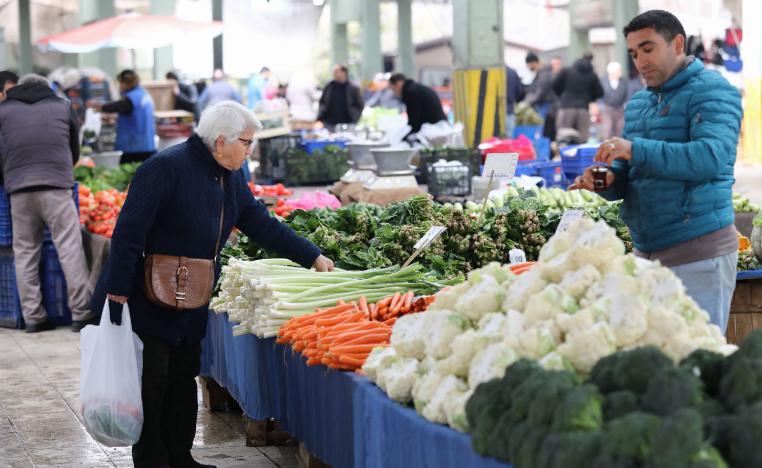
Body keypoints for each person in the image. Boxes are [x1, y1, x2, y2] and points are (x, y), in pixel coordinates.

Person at [91, 101, 334, 468]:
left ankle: (180, 455)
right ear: (221, 141)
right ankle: (152, 459)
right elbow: (127, 234)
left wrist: (312, 256)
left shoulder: (230, 176)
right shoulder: (164, 168)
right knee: (152, 380)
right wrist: (117, 295)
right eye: (247, 143)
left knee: (183, 375)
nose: (250, 150)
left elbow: (260, 223)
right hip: (148, 294)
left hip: (195, 292)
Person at [569, 10, 742, 332]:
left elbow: (710, 157)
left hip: (698, 252)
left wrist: (635, 150)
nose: (640, 61)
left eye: (648, 49)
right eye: (634, 53)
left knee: (696, 359)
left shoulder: (713, 91)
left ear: (677, 44)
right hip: (645, 251)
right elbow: (629, 172)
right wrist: (608, 180)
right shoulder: (638, 104)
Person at [0, 74, 94, 333]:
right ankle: (80, 313)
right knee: (69, 248)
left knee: (25, 252)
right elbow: (74, 148)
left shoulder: (3, 110)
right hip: (57, 186)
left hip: (18, 190)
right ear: (46, 88)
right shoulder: (63, 106)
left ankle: (33, 317)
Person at [87, 69, 156, 164]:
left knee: (129, 175)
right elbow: (135, 114)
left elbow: (118, 106)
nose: (119, 87)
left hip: (134, 147)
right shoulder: (143, 94)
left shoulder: (131, 98)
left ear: (125, 83)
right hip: (148, 144)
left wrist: (99, 106)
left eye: (120, 83)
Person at [553, 52, 604, 142]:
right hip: (583, 109)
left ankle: (565, 156)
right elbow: (600, 92)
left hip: (566, 107)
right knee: (582, 140)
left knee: (564, 139)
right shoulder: (592, 74)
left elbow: (555, 85)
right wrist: (589, 98)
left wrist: (562, 95)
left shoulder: (567, 70)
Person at [316, 64, 364, 130]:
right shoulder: (329, 86)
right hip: (329, 124)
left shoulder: (353, 88)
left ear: (343, 72)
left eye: (336, 71)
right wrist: (320, 117)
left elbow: (360, 105)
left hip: (348, 124)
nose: (333, 73)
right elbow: (322, 102)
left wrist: (355, 117)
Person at [524, 53, 558, 140]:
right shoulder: (542, 73)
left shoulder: (545, 73)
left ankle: (544, 152)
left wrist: (528, 101)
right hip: (545, 105)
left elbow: (541, 92)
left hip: (546, 105)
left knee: (542, 131)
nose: (528, 68)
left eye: (528, 65)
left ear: (533, 63)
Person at [599, 61, 628, 139]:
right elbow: (599, 94)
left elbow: (626, 94)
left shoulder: (623, 81)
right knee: (607, 129)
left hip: (620, 109)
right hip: (607, 108)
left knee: (620, 128)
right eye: (618, 71)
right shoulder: (603, 81)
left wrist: (625, 105)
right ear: (612, 72)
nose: (620, 72)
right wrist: (600, 105)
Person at [505, 65, 526, 138]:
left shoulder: (491, 72)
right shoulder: (512, 72)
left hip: (491, 112)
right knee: (509, 135)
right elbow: (520, 91)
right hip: (509, 109)